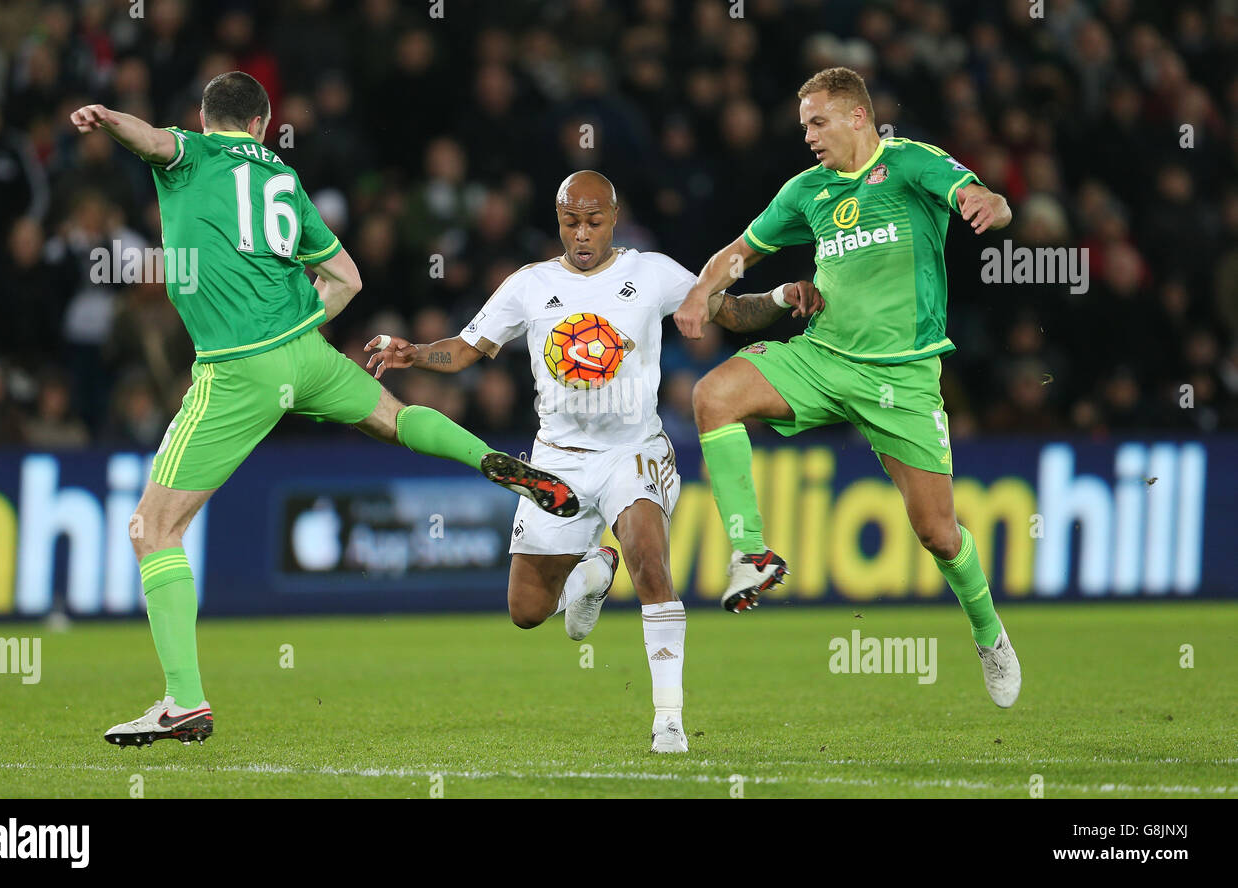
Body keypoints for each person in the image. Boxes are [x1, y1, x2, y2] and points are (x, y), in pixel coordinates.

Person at [70, 71, 579, 748]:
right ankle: (493, 459)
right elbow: (348, 278)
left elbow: (153, 142)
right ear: (262, 122)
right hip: (305, 354)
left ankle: (184, 701)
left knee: (151, 528)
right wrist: (296, 327)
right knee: (396, 418)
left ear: (207, 117)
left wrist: (108, 117)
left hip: (238, 367)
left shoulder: (198, 153)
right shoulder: (282, 175)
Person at [367, 170, 807, 750]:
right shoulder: (529, 284)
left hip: (635, 450)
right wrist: (415, 353)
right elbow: (468, 348)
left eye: (593, 222)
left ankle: (669, 722)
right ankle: (594, 567)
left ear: (613, 219)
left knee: (651, 564)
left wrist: (780, 297)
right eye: (571, 222)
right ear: (558, 221)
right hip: (557, 463)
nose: (581, 233)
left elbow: (731, 312)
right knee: (527, 611)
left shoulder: (651, 273)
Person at [674, 67, 1022, 708]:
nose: (808, 135)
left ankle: (989, 633)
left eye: (818, 122)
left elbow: (984, 197)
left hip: (904, 375)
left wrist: (992, 206)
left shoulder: (913, 165)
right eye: (803, 124)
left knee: (938, 533)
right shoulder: (807, 191)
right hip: (824, 357)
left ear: (857, 116)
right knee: (712, 395)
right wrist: (703, 290)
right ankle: (751, 554)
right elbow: (739, 254)